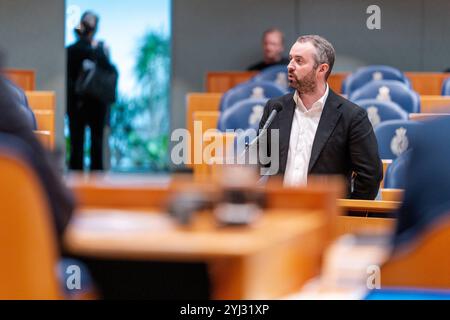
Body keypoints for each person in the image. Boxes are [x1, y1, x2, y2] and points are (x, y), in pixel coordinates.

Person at [258, 35, 382, 199]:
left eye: (299, 61)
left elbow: (370, 176)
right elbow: (261, 163)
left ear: (322, 69)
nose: (289, 66)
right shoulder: (275, 109)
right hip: (279, 215)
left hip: (324, 217)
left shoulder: (351, 116)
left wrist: (344, 213)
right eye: (290, 59)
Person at [67, 11, 117, 171]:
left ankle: (94, 185)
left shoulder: (98, 49)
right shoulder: (76, 50)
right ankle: (78, 185)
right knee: (78, 146)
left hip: (95, 103)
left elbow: (109, 73)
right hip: (79, 103)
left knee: (94, 146)